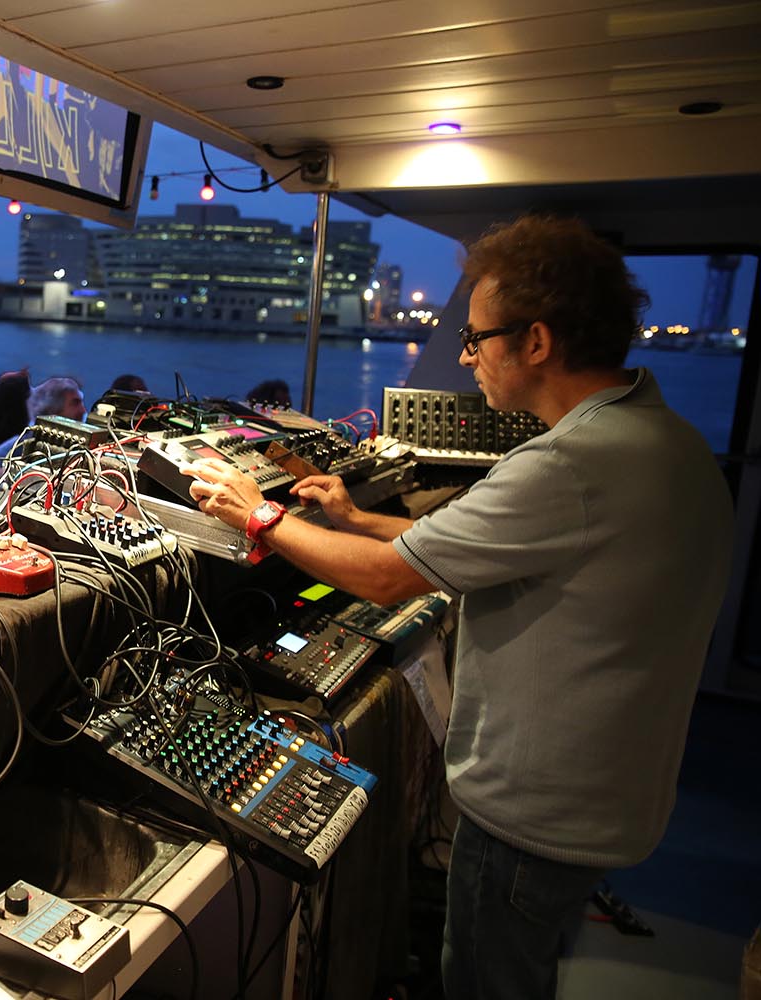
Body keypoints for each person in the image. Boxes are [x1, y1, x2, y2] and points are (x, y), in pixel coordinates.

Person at [181, 214, 734, 1000]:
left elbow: (383, 581)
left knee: (486, 981)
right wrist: (356, 515)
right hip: (609, 793)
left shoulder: (568, 463)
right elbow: (481, 543)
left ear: (535, 343)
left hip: (534, 815)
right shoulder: (663, 439)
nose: (468, 356)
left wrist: (255, 515)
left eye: (477, 339)